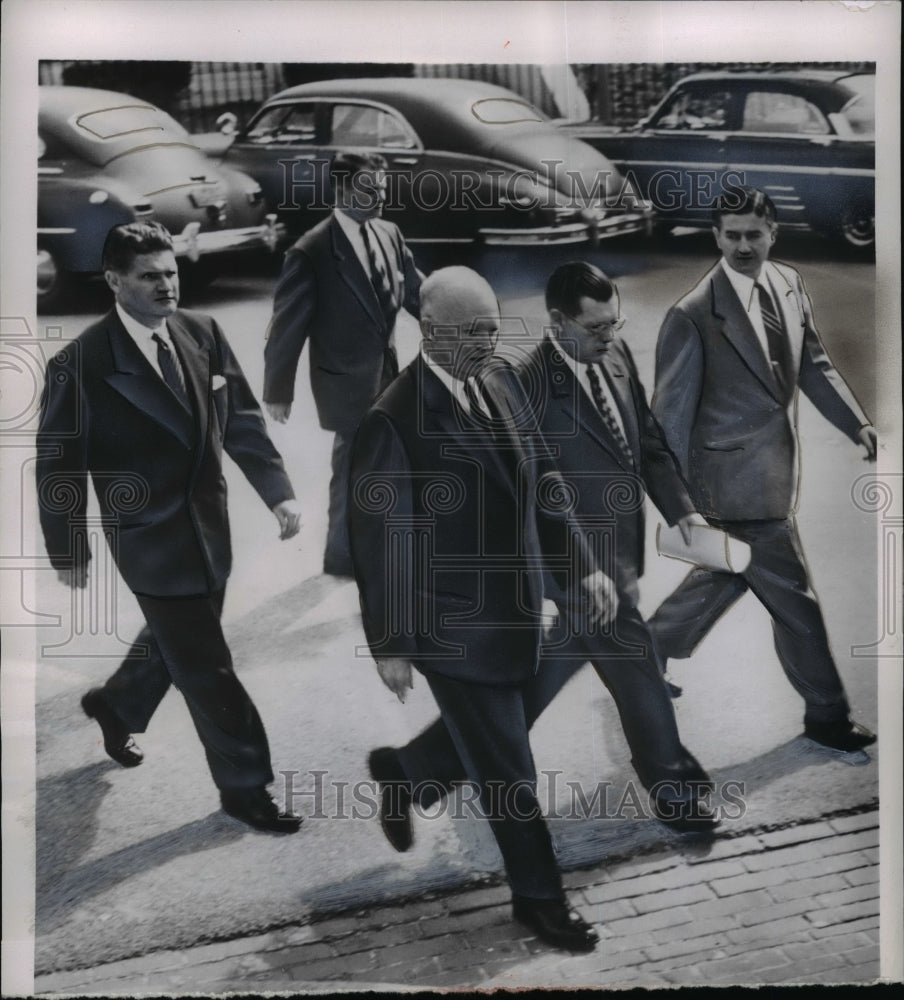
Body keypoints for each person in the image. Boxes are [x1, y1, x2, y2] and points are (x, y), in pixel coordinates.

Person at [363, 262, 718, 874]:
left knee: (532, 690)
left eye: (614, 322)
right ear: (558, 322)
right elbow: (513, 491)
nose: (609, 334)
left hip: (610, 565)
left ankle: (411, 771)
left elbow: (648, 443)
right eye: (595, 325)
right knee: (636, 673)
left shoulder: (615, 357)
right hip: (572, 570)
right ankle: (676, 791)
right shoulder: (519, 384)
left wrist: (683, 511)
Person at [348, 266, 615, 953]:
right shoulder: (394, 417)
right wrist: (390, 641)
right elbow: (382, 540)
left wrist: (581, 567)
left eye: (493, 328)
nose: (486, 343)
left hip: (524, 608)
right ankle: (541, 901)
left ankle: (408, 772)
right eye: (470, 332)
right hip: (453, 625)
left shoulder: (500, 383)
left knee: (502, 733)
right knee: (510, 773)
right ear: (429, 331)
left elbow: (543, 481)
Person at [36, 222, 303, 834]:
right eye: (150, 276)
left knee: (183, 641)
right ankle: (245, 788)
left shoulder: (200, 332)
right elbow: (58, 469)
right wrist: (67, 550)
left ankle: (118, 702)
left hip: (210, 530)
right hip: (149, 541)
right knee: (208, 668)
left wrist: (279, 494)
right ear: (114, 281)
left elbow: (240, 420)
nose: (166, 286)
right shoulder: (79, 365)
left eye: (171, 273)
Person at [648, 186, 877, 753]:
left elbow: (814, 364)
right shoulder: (694, 314)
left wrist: (857, 425)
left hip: (775, 472)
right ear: (716, 236)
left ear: (773, 232)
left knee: (723, 578)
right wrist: (677, 501)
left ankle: (643, 651)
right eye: (731, 236)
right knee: (794, 601)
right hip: (731, 487)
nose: (743, 246)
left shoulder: (789, 283)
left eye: (754, 234)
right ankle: (826, 713)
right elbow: (667, 417)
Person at [263, 151, 423, 577]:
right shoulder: (312, 249)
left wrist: (452, 323)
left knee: (388, 460)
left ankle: (380, 545)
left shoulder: (389, 233)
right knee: (353, 465)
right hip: (344, 380)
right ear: (343, 188)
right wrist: (278, 390)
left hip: (389, 372)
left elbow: (415, 294)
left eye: (383, 188)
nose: (381, 197)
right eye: (370, 188)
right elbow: (286, 326)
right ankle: (341, 554)